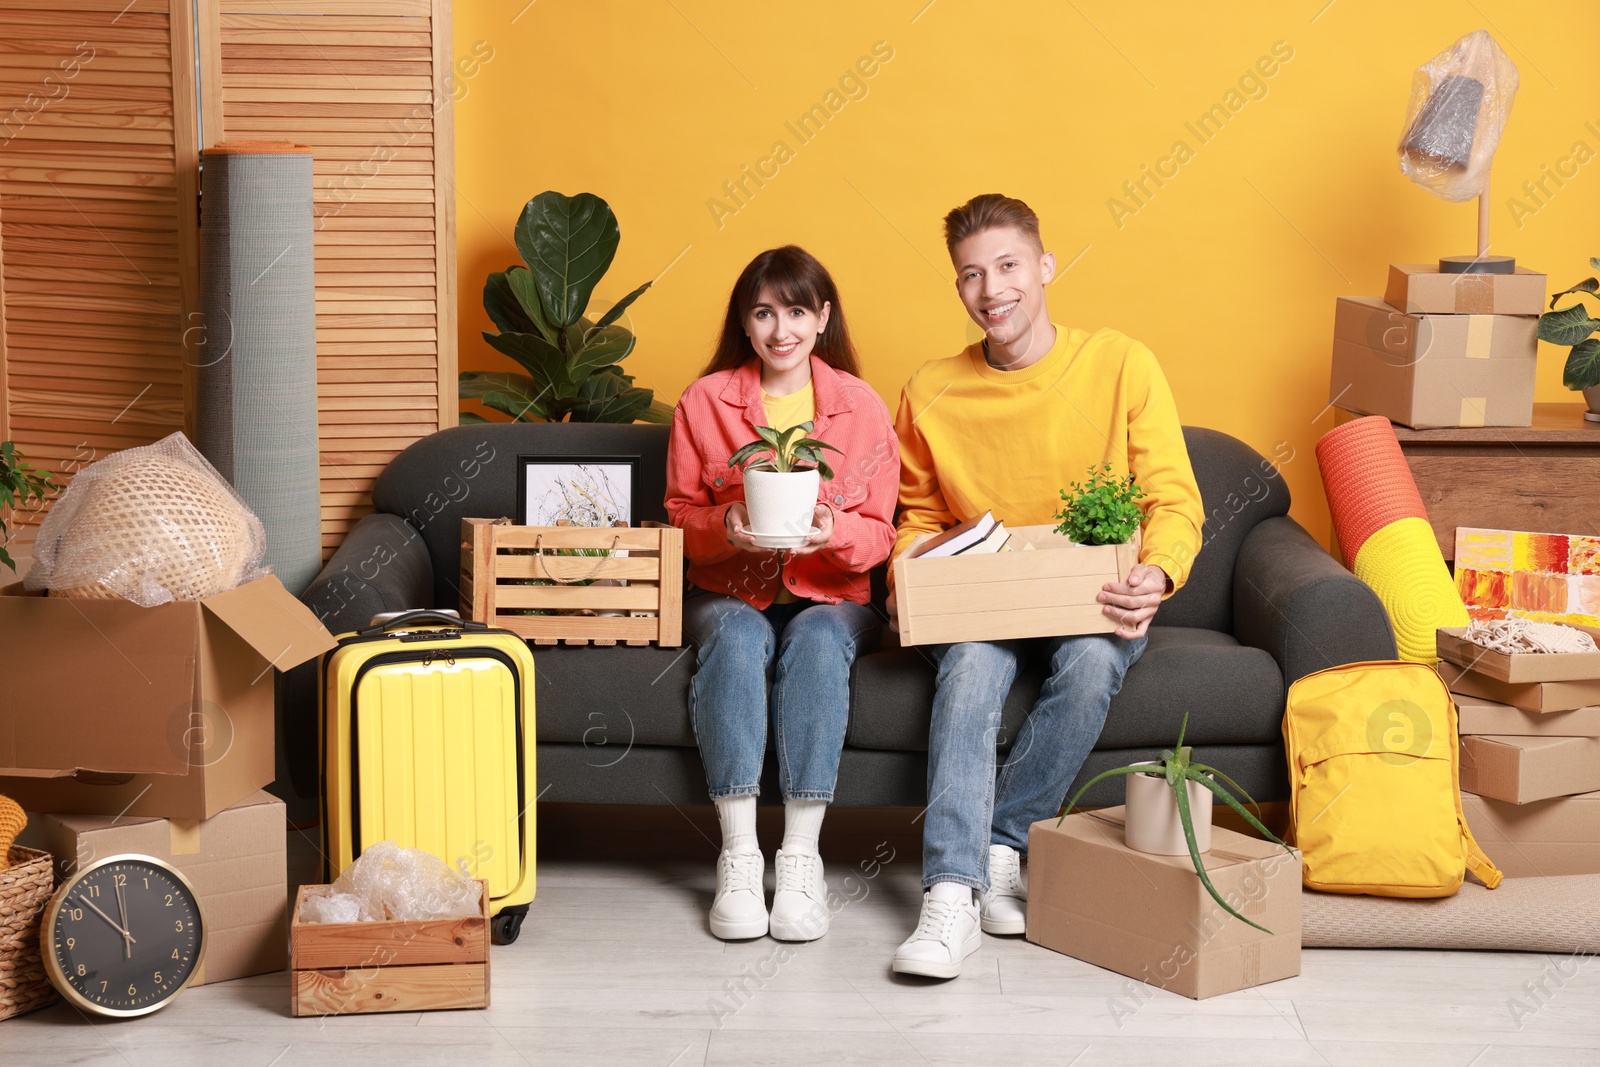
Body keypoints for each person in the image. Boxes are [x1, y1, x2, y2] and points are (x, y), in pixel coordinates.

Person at [888, 195, 1204, 978]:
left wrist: (1156, 569)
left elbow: (1172, 496)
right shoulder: (931, 388)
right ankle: (952, 895)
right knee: (969, 669)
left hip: (1088, 594)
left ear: (1045, 268)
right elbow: (917, 513)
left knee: (1094, 662)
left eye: (1007, 266)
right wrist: (907, 575)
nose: (991, 289)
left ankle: (1005, 843)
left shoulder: (1121, 362)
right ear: (957, 288)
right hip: (980, 599)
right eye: (971, 275)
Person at [665, 245, 899, 941]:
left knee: (819, 642)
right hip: (730, 588)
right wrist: (725, 526)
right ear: (744, 321)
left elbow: (883, 533)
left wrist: (832, 532)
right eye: (764, 313)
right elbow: (678, 515)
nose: (781, 330)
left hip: (833, 594)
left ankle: (800, 856)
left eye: (796, 311)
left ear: (823, 317)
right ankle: (739, 855)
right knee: (739, 638)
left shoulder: (860, 407)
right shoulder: (704, 402)